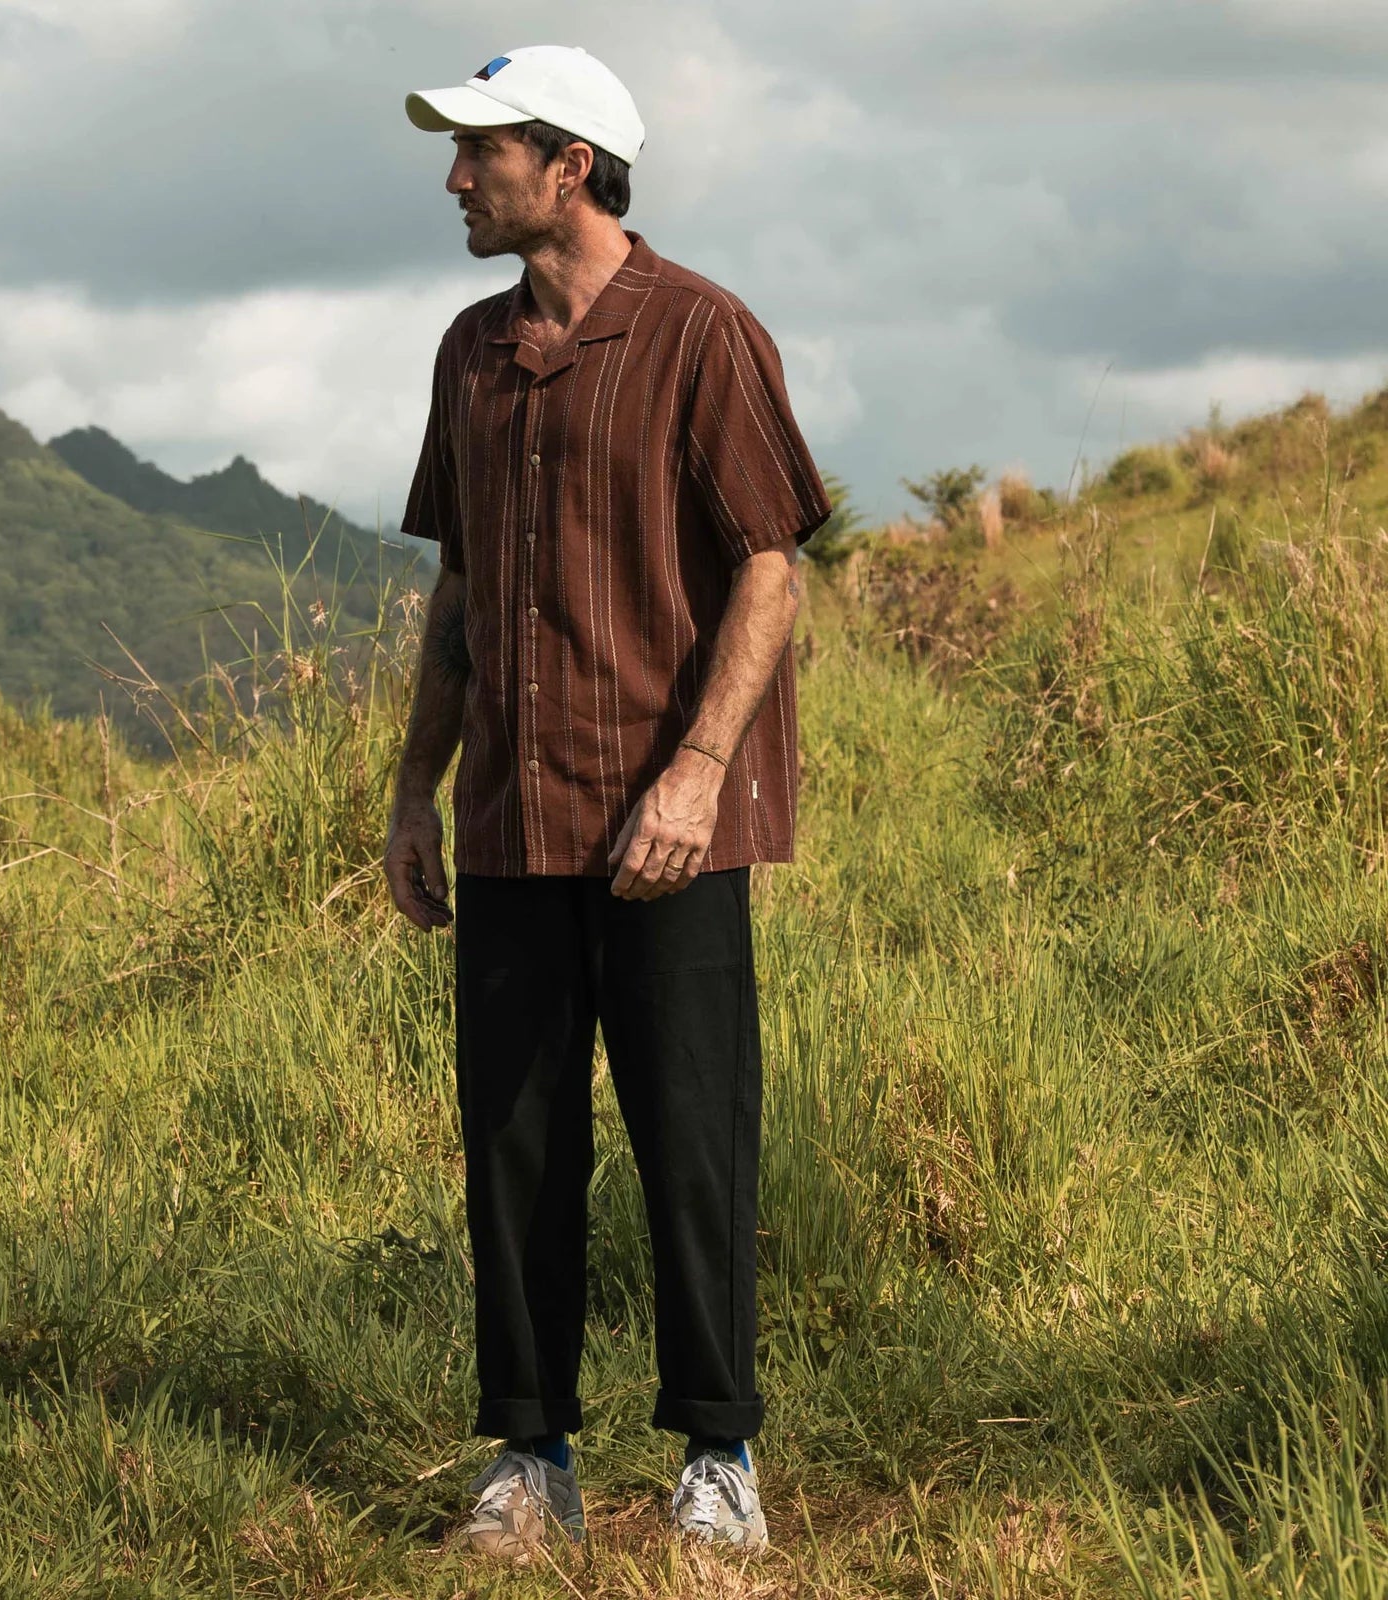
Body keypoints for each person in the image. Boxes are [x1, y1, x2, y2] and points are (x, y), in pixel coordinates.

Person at [384, 43, 831, 1558]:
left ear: (566, 161)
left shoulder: (703, 333)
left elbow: (771, 559)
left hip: (668, 830)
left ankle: (720, 1457)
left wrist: (699, 773)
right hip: (514, 820)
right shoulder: (469, 350)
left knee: (694, 1138)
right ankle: (530, 1459)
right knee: (512, 1147)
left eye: (480, 153)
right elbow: (456, 586)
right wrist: (412, 793)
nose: (456, 178)